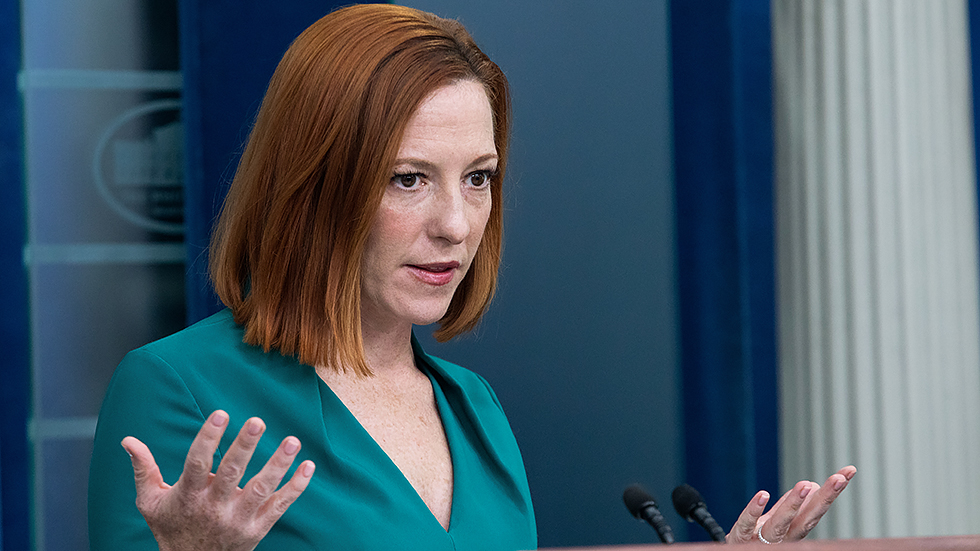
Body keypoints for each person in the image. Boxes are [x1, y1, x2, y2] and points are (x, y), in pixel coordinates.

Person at [88, 4, 854, 550]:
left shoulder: (472, 408)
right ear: (313, 185)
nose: (456, 223)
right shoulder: (177, 387)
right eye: (409, 179)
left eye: (479, 178)